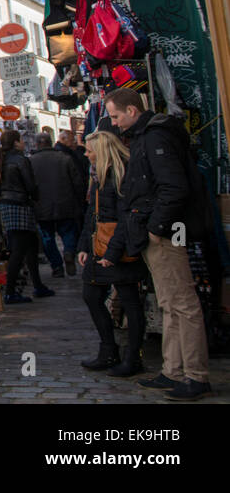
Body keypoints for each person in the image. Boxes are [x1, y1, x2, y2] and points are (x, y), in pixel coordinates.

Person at [104, 88, 214, 401]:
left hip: (164, 233)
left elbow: (173, 187)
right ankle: (174, 370)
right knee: (170, 303)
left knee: (181, 303)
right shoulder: (147, 136)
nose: (115, 124)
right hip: (157, 231)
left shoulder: (154, 137)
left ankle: (194, 375)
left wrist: (155, 228)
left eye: (115, 116)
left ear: (131, 111)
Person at [78, 130, 145, 377]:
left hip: (119, 248)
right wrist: (85, 245)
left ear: (102, 151)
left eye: (89, 150)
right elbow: (92, 214)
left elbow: (125, 218)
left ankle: (132, 357)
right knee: (91, 294)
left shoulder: (120, 175)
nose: (86, 154)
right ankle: (109, 350)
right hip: (101, 246)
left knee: (129, 300)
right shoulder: (98, 176)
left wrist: (113, 252)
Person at [0, 130, 54, 304]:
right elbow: (30, 184)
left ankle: (37, 284)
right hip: (21, 205)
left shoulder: (2, 159)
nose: (23, 142)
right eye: (21, 140)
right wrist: (36, 197)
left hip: (8, 204)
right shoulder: (20, 160)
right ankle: (10, 291)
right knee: (19, 249)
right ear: (16, 142)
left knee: (30, 246)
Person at [31, 132, 86, 278]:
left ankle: (57, 266)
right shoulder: (65, 158)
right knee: (68, 232)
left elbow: (30, 186)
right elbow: (78, 182)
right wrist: (80, 202)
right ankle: (68, 252)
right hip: (65, 203)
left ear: (37, 144)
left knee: (48, 237)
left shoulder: (31, 161)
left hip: (42, 206)